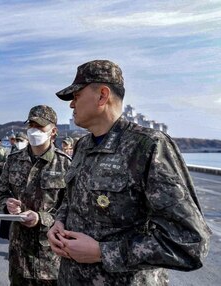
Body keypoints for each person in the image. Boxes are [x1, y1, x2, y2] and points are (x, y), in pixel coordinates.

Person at [47, 60, 211, 285]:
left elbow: (189, 243)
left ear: (102, 95)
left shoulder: (148, 146)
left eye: (76, 96)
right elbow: (72, 199)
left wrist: (102, 252)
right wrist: (59, 223)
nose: (71, 105)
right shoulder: (82, 146)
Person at [0, 105, 71, 286]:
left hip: (50, 259)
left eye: (40, 126)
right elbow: (0, 192)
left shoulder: (65, 165)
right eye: (31, 125)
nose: (34, 130)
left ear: (53, 132)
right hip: (18, 256)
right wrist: (7, 204)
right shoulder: (13, 160)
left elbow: (73, 209)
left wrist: (41, 218)